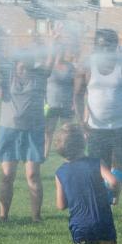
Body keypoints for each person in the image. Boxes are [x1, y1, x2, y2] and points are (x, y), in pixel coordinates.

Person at [74, 28, 122, 223]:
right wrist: (81, 122)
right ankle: (101, 214)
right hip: (96, 129)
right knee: (97, 174)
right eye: (100, 46)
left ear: (115, 47)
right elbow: (78, 95)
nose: (104, 50)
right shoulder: (86, 67)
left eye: (108, 47)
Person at [53, 123, 120, 244]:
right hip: (102, 224)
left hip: (79, 229)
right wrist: (114, 191)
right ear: (83, 143)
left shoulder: (60, 173)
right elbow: (113, 181)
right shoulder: (95, 162)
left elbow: (60, 205)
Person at [0, 31, 54, 222]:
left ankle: (36, 217)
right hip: (9, 130)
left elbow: (50, 61)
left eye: (27, 64)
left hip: (33, 131)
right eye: (20, 64)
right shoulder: (7, 73)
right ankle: (3, 216)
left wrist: (52, 42)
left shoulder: (40, 75)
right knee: (7, 175)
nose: (23, 68)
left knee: (33, 175)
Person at [44, 27, 77, 159]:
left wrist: (74, 102)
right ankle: (44, 155)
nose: (60, 54)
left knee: (67, 133)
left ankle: (66, 156)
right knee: (48, 131)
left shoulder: (70, 67)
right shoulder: (49, 66)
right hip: (51, 105)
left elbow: (76, 86)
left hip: (66, 104)